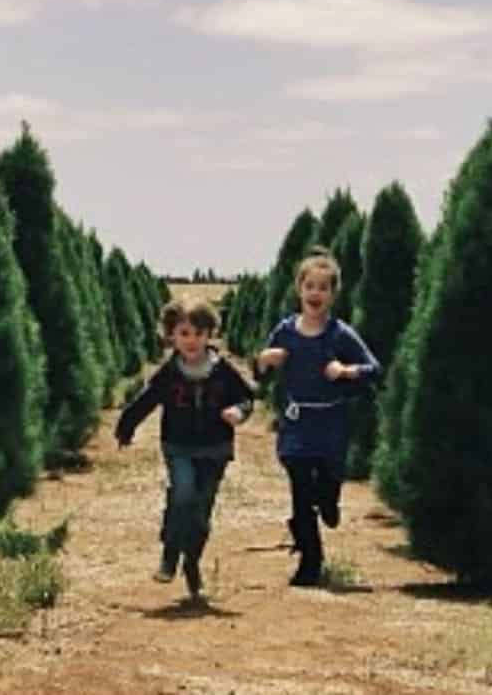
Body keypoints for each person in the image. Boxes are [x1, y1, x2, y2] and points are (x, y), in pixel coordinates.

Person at [255, 247, 380, 586]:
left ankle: (328, 502)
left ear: (333, 294)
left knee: (324, 488)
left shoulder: (340, 334)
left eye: (323, 287)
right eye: (310, 286)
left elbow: (374, 368)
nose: (315, 293)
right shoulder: (285, 331)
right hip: (296, 424)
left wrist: (347, 371)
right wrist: (264, 361)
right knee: (300, 490)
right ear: (299, 289)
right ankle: (310, 562)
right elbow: (261, 375)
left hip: (331, 426)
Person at [115, 298, 256, 597]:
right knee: (183, 492)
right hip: (178, 446)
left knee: (201, 511)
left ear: (210, 334)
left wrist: (238, 411)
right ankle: (170, 553)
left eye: (198, 333)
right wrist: (126, 426)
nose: (191, 340)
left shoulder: (222, 370)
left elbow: (246, 397)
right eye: (184, 333)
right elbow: (146, 400)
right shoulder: (169, 372)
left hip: (215, 449)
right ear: (171, 336)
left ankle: (192, 562)